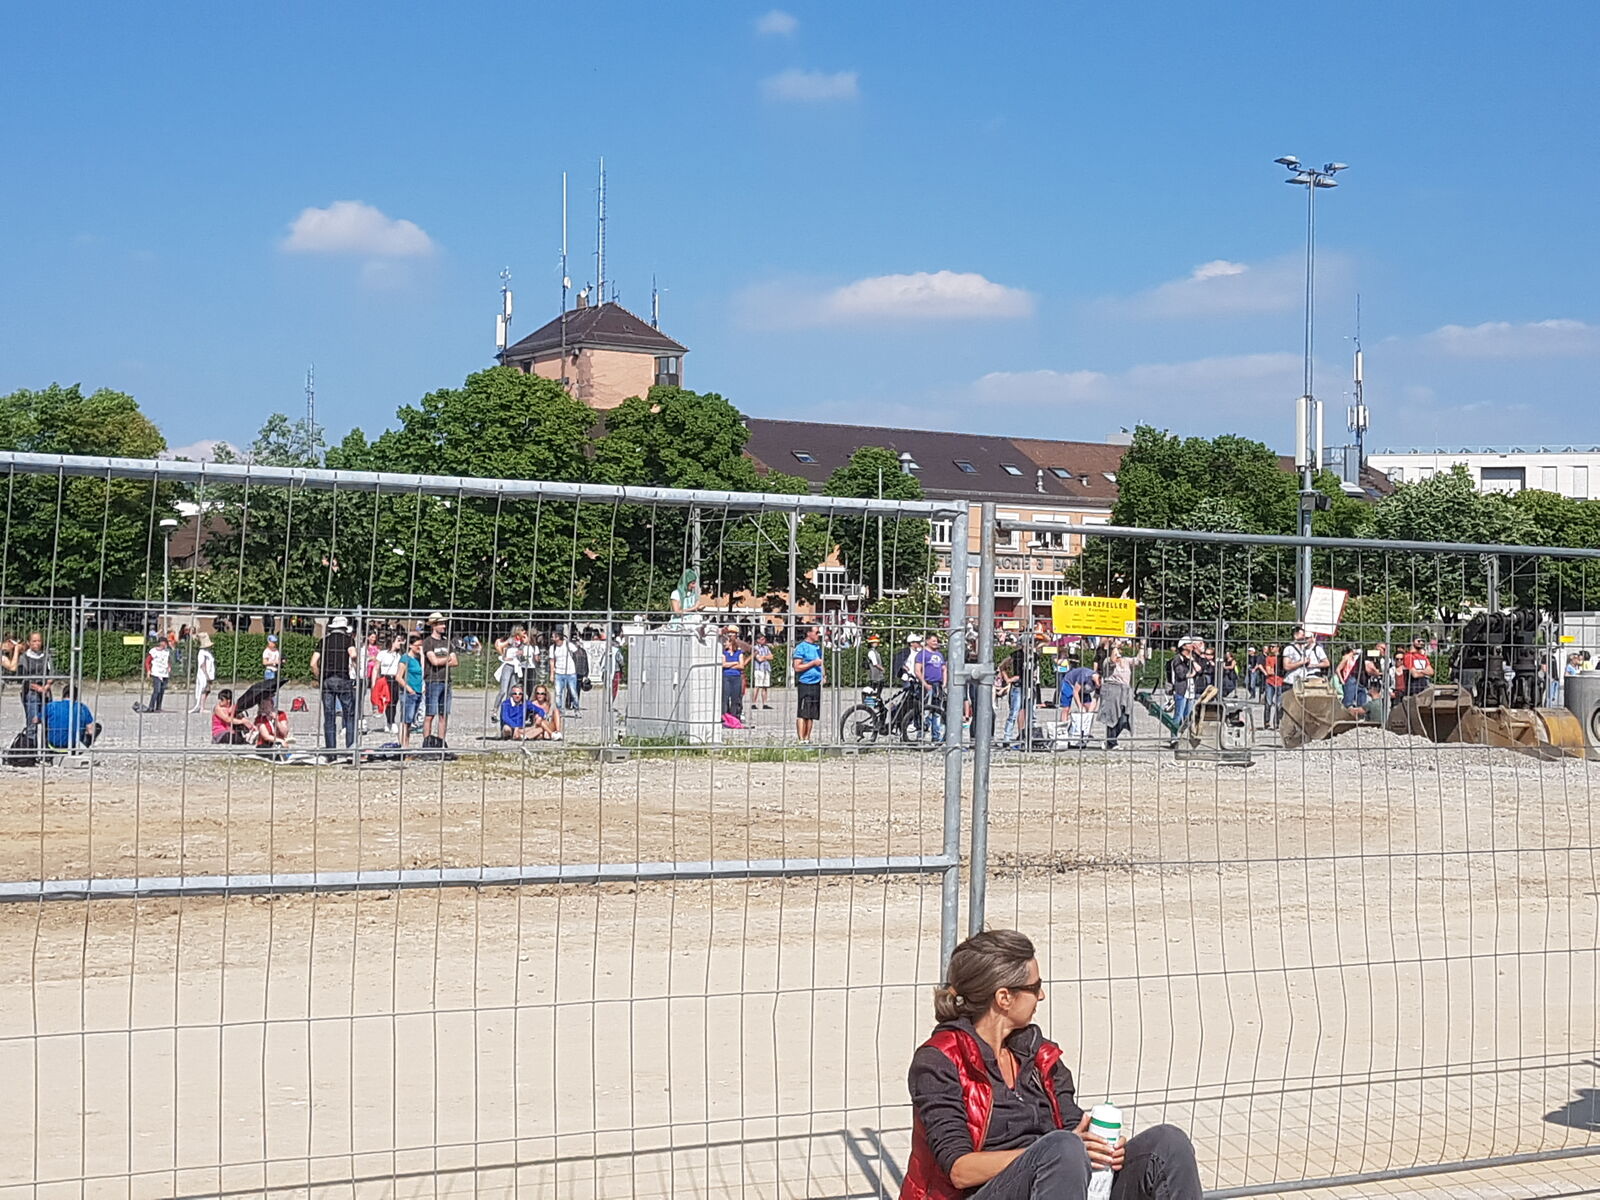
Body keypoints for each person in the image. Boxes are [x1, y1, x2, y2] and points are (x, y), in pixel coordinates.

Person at [904, 929, 1201, 1200]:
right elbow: (959, 1170)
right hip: (978, 1194)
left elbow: (1073, 1129)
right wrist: (1050, 1152)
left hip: (1057, 1182)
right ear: (1004, 998)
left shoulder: (1039, 1055)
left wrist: (1098, 1146)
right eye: (1035, 987)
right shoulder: (938, 1061)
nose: (1041, 995)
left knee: (1167, 1145)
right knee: (1062, 1149)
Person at [311, 615, 359, 751]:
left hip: (327, 679)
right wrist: (356, 667)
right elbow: (353, 654)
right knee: (349, 714)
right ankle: (350, 748)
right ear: (345, 628)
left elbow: (313, 663)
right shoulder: (348, 640)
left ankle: (330, 751)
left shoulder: (323, 641)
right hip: (343, 678)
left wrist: (320, 677)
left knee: (329, 715)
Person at [1100, 641, 1146, 751]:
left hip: (1125, 690)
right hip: (1112, 689)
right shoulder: (1107, 661)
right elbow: (1112, 661)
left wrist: (1142, 646)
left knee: (1124, 717)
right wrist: (1114, 646)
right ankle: (1111, 742)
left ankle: (1110, 740)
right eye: (1117, 650)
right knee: (1112, 716)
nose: (1120, 651)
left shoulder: (1126, 660)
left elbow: (1139, 661)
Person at [3, 631, 53, 727]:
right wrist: (37, 688)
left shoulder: (46, 656)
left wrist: (46, 687)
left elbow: (51, 673)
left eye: (39, 641)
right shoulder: (23, 657)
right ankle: (31, 741)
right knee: (32, 722)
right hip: (30, 691)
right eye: (34, 641)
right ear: (28, 643)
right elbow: (22, 676)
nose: (37, 643)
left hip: (45, 691)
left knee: (48, 723)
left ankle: (47, 742)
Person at [422, 612, 457, 746]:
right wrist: (447, 658)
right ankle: (427, 741)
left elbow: (455, 662)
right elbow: (434, 661)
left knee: (444, 714)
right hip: (433, 680)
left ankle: (441, 741)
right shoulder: (428, 642)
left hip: (446, 681)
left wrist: (443, 660)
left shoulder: (447, 642)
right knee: (430, 714)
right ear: (434, 625)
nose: (444, 626)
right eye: (441, 623)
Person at [792, 625, 825, 742]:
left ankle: (807, 738)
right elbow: (797, 667)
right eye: (816, 632)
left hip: (816, 683)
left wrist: (823, 674)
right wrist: (812, 663)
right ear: (809, 633)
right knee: (803, 712)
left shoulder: (817, 648)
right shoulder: (801, 648)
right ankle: (801, 738)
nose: (818, 635)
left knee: (812, 713)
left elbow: (821, 663)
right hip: (805, 683)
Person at [916, 633, 949, 742]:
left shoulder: (939, 655)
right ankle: (921, 735)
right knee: (925, 711)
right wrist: (924, 684)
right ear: (927, 641)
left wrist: (944, 683)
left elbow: (944, 669)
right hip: (927, 684)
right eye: (934, 641)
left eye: (937, 641)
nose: (936, 643)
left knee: (937, 712)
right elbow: (917, 670)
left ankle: (936, 736)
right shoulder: (922, 654)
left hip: (937, 685)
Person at [1058, 663, 1099, 749]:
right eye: (1098, 683)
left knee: (1088, 709)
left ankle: (1084, 732)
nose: (1098, 686)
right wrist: (1080, 706)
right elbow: (1075, 692)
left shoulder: (1100, 685)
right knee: (1066, 708)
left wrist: (1089, 714)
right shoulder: (1085, 676)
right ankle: (1063, 732)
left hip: (1084, 690)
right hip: (1070, 683)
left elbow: (1095, 699)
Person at [550, 630, 581, 717]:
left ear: (558, 637)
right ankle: (560, 711)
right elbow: (552, 661)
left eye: (553, 636)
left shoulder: (567, 645)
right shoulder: (552, 648)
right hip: (559, 673)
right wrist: (552, 674)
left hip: (570, 672)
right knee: (558, 693)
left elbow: (576, 652)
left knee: (573, 692)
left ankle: (576, 708)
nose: (552, 638)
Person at [720, 630, 749, 723]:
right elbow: (723, 664)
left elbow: (741, 666)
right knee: (725, 697)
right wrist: (735, 663)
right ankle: (724, 716)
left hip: (736, 677)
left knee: (735, 697)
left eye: (726, 642)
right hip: (726, 677)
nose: (725, 644)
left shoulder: (739, 653)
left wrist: (730, 665)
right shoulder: (724, 653)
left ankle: (734, 716)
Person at [143, 633, 172, 713]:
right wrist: (148, 670)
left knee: (162, 691)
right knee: (157, 690)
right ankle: (151, 707)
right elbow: (147, 661)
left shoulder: (167, 652)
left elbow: (168, 660)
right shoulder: (154, 651)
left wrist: (169, 667)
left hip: (165, 673)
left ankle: (158, 707)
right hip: (156, 672)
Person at [1335, 645, 1367, 714]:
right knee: (1348, 702)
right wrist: (1342, 680)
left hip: (1354, 679)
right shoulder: (1347, 657)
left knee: (1360, 698)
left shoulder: (1353, 658)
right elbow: (1338, 669)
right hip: (1348, 679)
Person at [1261, 643, 1284, 731]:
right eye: (1270, 646)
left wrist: (1274, 670)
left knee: (1279, 704)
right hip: (1270, 681)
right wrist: (1275, 670)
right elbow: (1269, 671)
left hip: (1280, 682)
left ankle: (1277, 723)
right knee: (1268, 703)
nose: (1271, 648)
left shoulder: (1282, 658)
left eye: (1273, 647)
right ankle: (1266, 723)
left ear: (1278, 648)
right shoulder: (1269, 658)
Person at [751, 635, 774, 709]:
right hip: (759, 669)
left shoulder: (766, 648)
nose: (764, 640)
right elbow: (759, 659)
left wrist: (764, 657)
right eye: (762, 639)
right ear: (758, 640)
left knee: (765, 687)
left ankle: (765, 704)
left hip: (766, 669)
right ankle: (753, 703)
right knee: (757, 686)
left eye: (764, 639)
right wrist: (766, 657)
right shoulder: (755, 648)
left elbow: (771, 657)